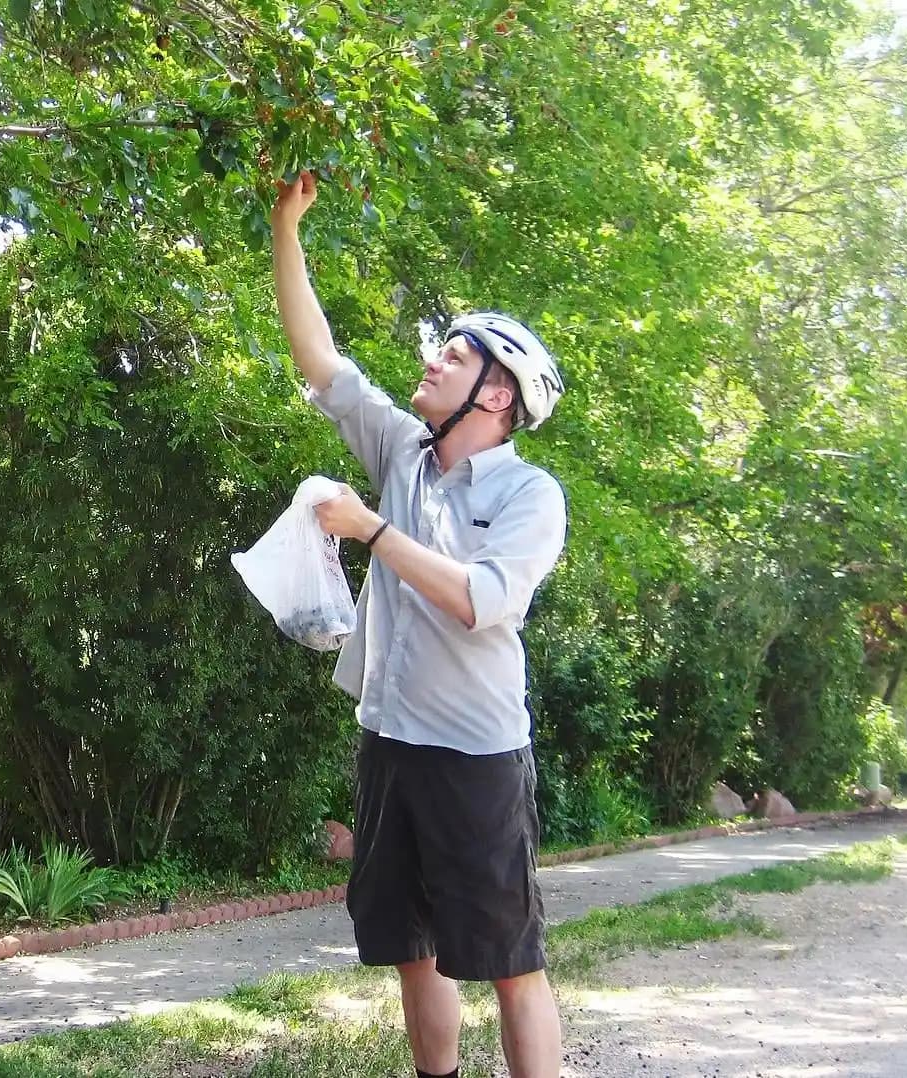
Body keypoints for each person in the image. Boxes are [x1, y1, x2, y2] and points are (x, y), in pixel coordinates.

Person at [270, 170, 568, 1078]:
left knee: (511, 964)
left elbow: (482, 600)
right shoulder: (403, 447)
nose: (433, 360)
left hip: (475, 756)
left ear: (498, 395)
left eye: (455, 353)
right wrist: (286, 228)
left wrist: (373, 531)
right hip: (387, 742)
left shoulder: (530, 495)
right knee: (411, 944)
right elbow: (318, 362)